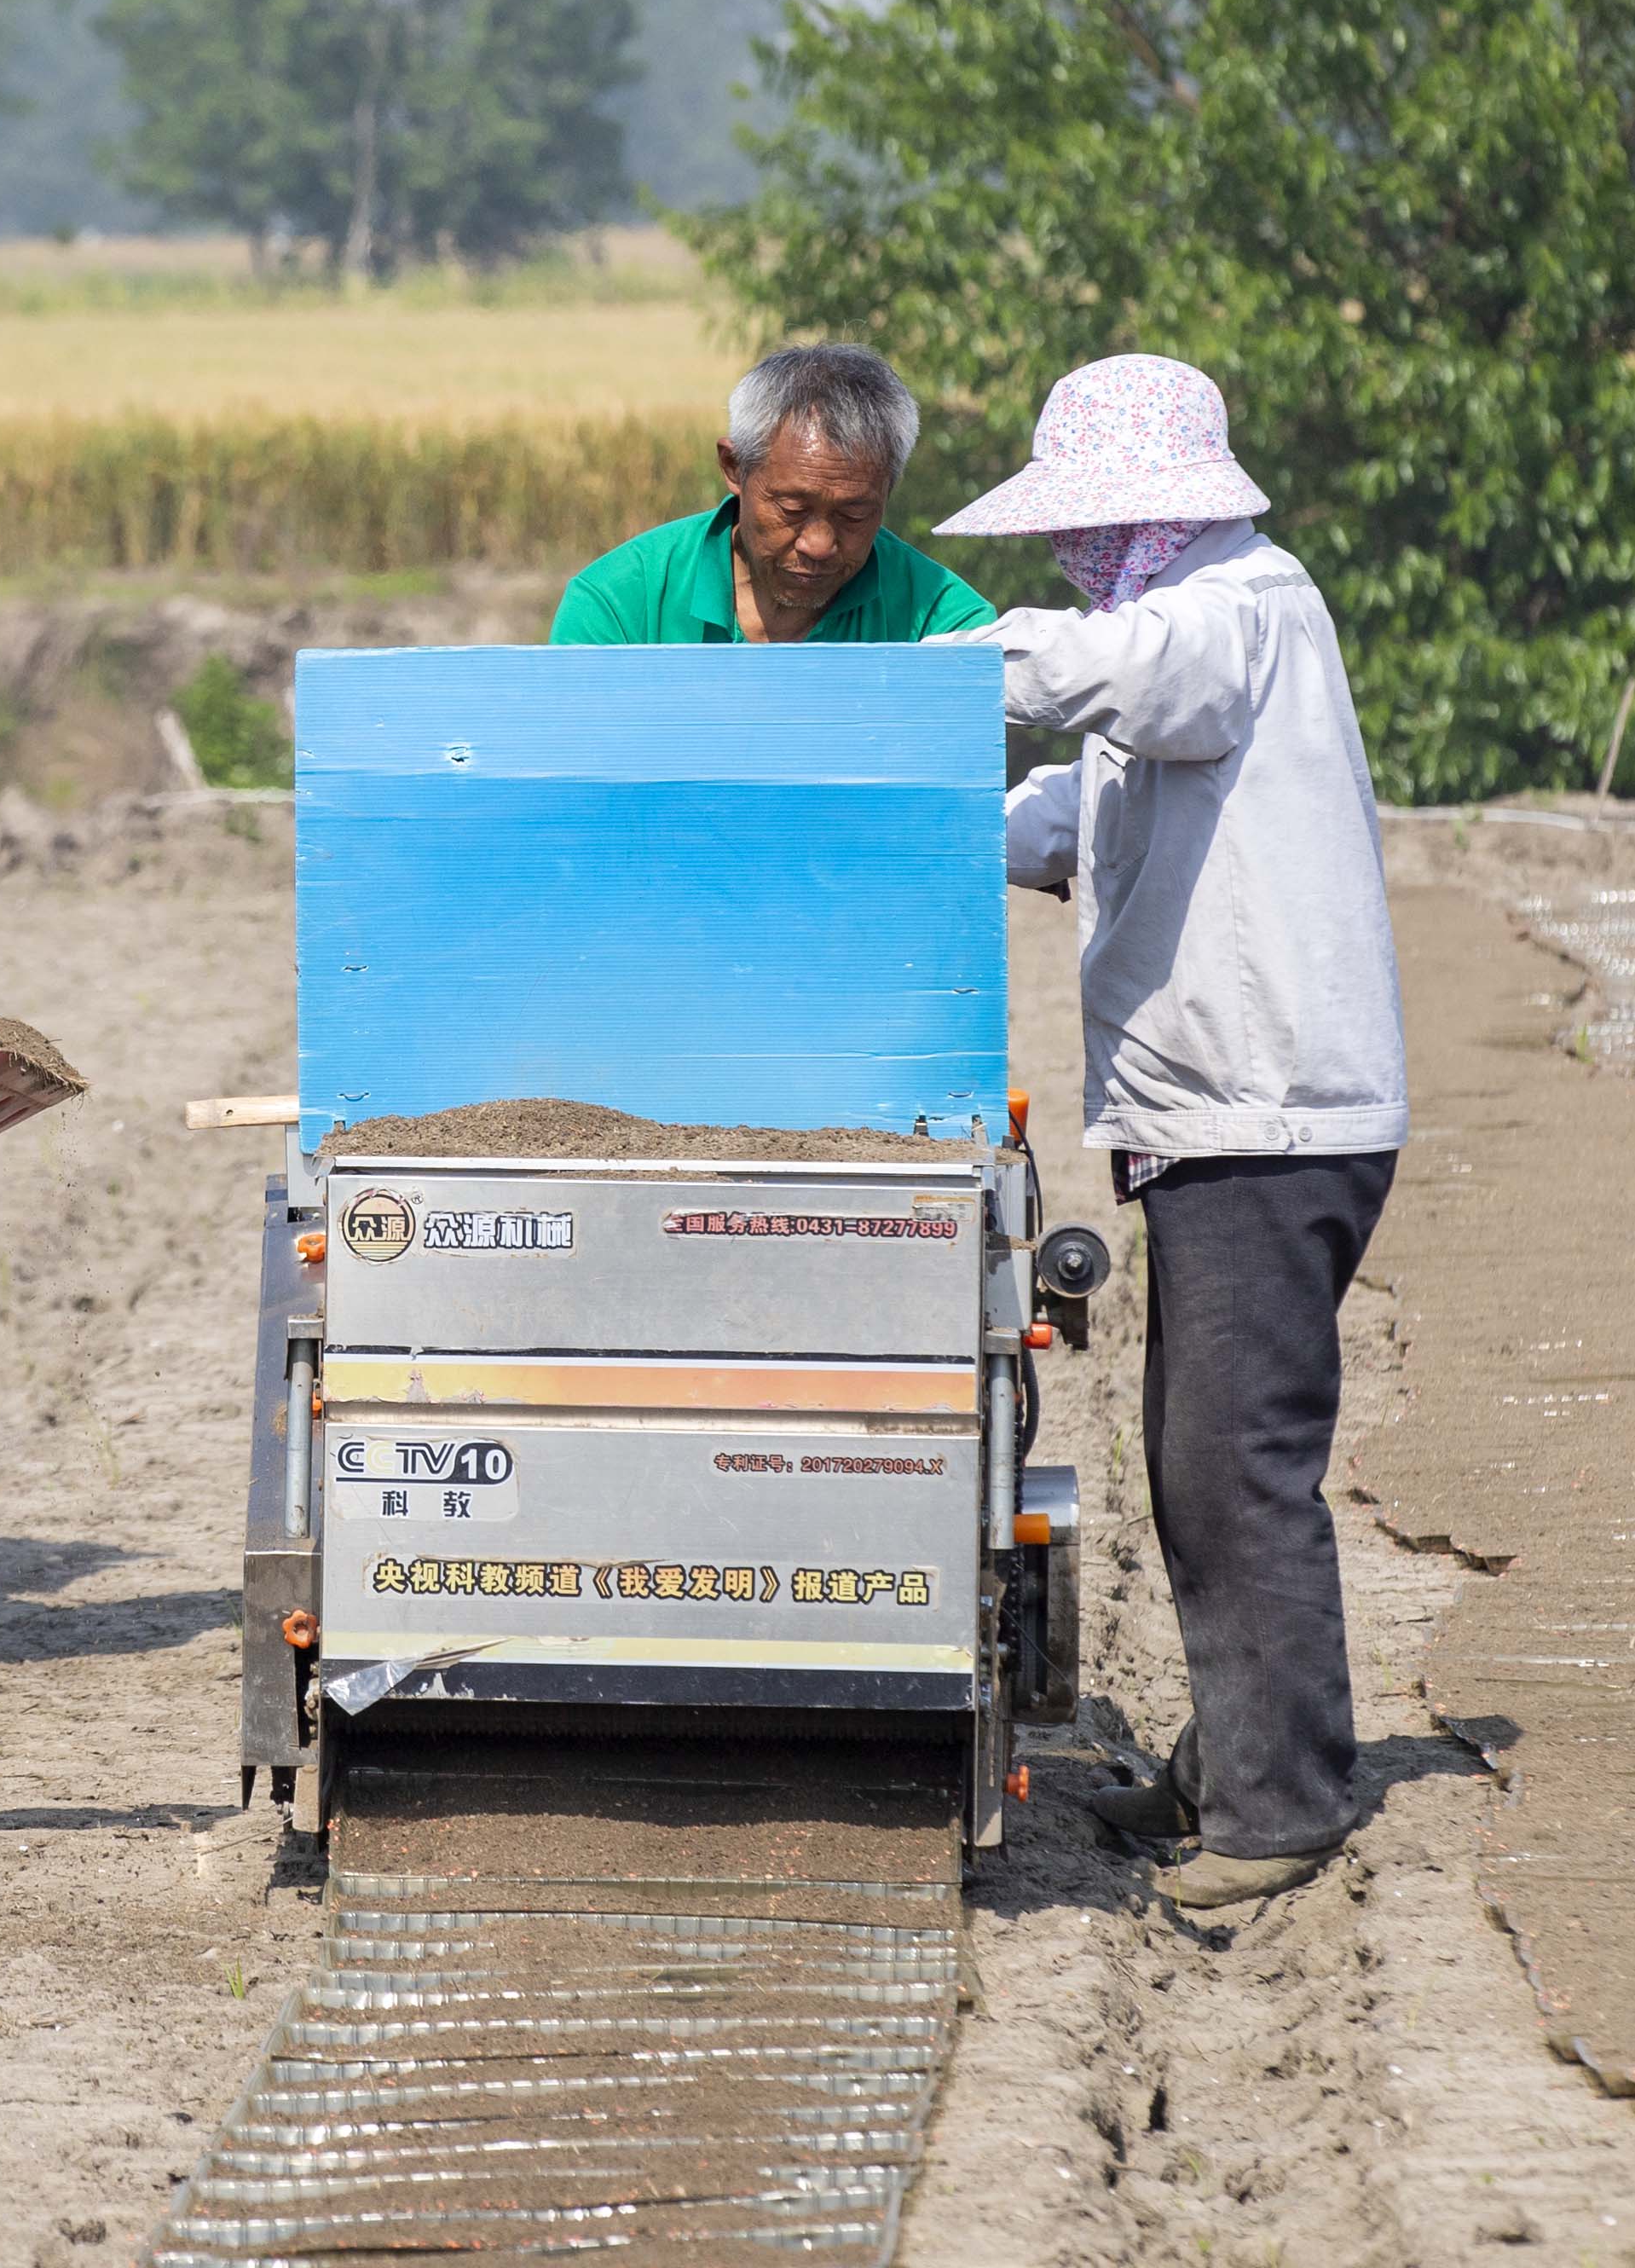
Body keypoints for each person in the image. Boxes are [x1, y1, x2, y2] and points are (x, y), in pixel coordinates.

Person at [925, 353, 1407, 1910]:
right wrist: (899, 821)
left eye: (1088, 526)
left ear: (1150, 511)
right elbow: (1068, 812)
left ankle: (1277, 1806)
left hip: (1269, 1114)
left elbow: (1112, 673)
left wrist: (917, 672)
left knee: (1229, 1462)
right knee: (1198, 1452)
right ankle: (1232, 1757)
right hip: (1227, 1113)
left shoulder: (1231, 612)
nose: (1073, 554)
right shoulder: (1187, 637)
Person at [551, 344, 998, 646]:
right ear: (734, 467)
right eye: (793, 508)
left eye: (854, 514)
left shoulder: (942, 622)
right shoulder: (620, 605)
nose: (819, 545)